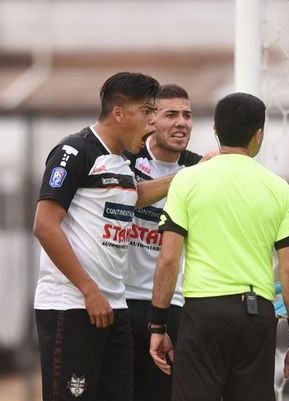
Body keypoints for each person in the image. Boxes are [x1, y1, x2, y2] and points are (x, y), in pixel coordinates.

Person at [149, 92, 289, 401]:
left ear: (215, 130)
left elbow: (168, 261)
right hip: (257, 313)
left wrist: (158, 326)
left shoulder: (187, 181)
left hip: (203, 313)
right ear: (258, 135)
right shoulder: (279, 189)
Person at [33, 71, 182, 401]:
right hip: (72, 305)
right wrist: (88, 290)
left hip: (115, 305)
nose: (153, 123)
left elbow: (133, 196)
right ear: (119, 112)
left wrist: (188, 176)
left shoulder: (123, 161)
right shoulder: (75, 151)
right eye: (147, 112)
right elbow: (44, 225)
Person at [122, 84, 205, 401]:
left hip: (174, 304)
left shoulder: (200, 165)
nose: (181, 122)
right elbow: (129, 199)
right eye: (171, 114)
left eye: (187, 115)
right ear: (151, 120)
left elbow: (246, 203)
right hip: (123, 299)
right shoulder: (126, 161)